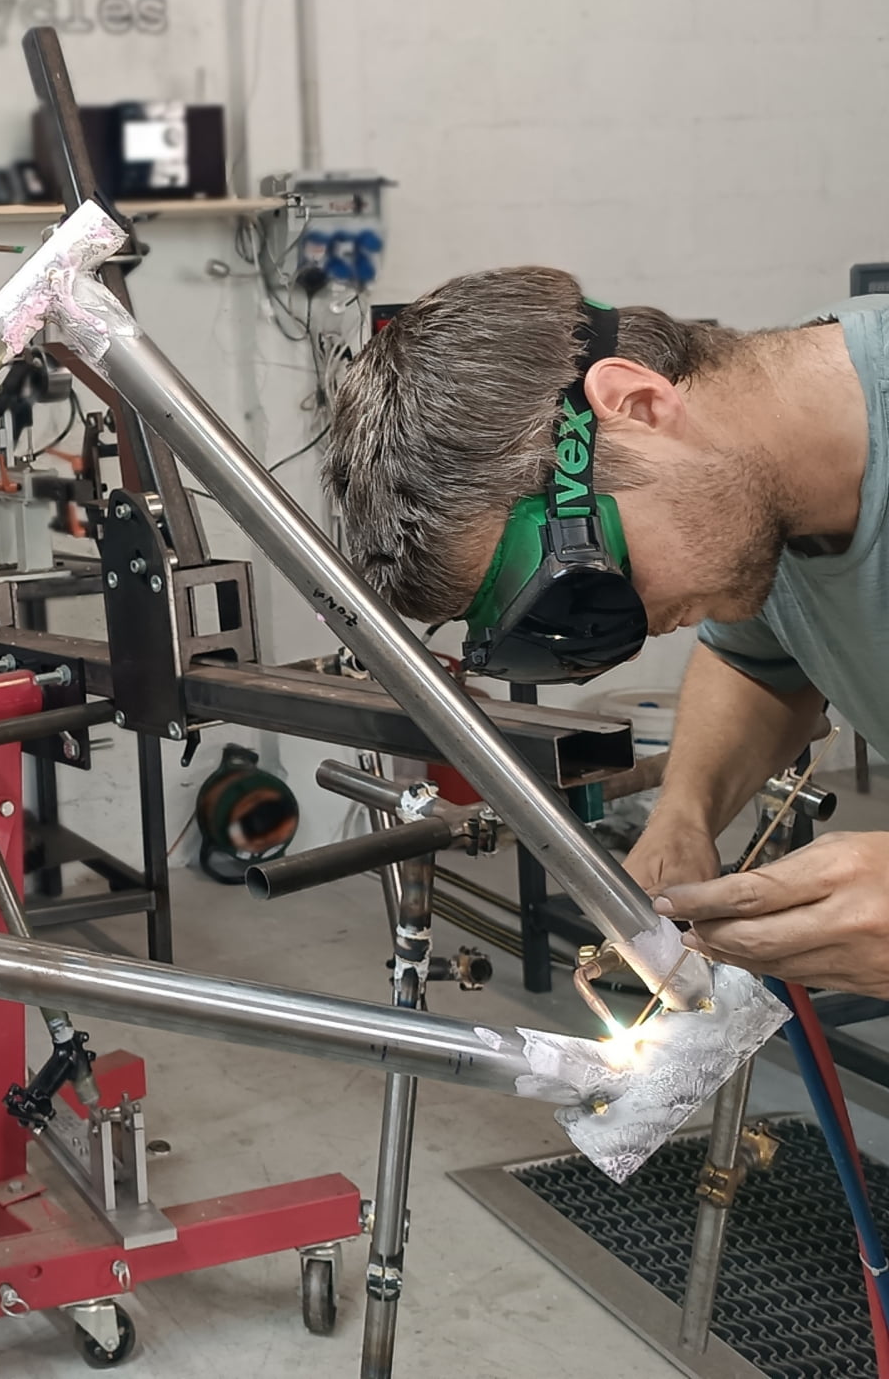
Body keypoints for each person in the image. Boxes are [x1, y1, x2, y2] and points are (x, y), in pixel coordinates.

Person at [323, 265, 889, 994]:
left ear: (639, 403)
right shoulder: (765, 480)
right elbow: (760, 663)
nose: (637, 626)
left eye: (587, 579)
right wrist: (687, 813)